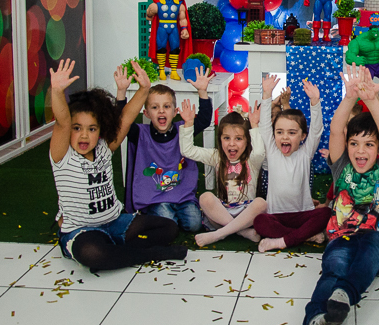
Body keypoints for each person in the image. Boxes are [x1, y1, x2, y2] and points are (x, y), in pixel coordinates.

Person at [49, 59, 186, 271]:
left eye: (92, 129)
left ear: (101, 130)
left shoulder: (105, 147)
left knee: (169, 227)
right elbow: (62, 122)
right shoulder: (62, 156)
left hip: (115, 223)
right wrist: (57, 92)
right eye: (77, 128)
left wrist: (144, 89)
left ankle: (116, 250)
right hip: (82, 230)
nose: (84, 135)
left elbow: (127, 117)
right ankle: (152, 254)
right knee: (92, 254)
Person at [305, 65, 379, 325]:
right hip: (341, 237)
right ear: (347, 147)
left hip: (377, 239)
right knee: (333, 268)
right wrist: (349, 98)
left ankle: (345, 295)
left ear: (378, 150)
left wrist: (372, 100)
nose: (360, 150)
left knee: (369, 251)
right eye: (355, 143)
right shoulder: (341, 167)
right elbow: (336, 131)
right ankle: (316, 319)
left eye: (369, 144)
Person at [117, 65, 213, 233]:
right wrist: (121, 92)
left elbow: (204, 120)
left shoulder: (183, 130)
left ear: (175, 111)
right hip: (156, 198)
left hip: (183, 196)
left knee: (194, 224)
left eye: (166, 107)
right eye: (155, 107)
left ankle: (171, 215)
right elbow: (122, 122)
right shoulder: (140, 133)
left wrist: (202, 92)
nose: (161, 110)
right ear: (146, 113)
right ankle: (155, 214)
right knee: (168, 223)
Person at [252, 75, 331, 252]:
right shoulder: (272, 152)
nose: (285, 137)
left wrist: (315, 102)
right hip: (276, 215)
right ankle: (304, 236)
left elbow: (317, 131)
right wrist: (266, 95)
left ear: (303, 136)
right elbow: (264, 128)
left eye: (292, 133)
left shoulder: (305, 153)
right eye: (279, 132)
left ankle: (282, 241)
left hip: (302, 214)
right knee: (259, 221)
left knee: (326, 213)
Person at [178, 102, 267, 246]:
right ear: (220, 139)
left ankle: (219, 234)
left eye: (238, 138)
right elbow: (188, 151)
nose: (232, 144)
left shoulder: (252, 160)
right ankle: (242, 232)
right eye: (226, 138)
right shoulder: (217, 157)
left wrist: (254, 125)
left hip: (246, 214)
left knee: (261, 203)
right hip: (221, 214)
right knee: (205, 197)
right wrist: (188, 124)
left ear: (247, 140)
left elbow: (259, 152)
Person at [146, 0, 192, 81]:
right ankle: (161, 70)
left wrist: (184, 29)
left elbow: (182, 18)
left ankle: (173, 71)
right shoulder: (158, 4)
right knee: (161, 48)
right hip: (162, 28)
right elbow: (148, 16)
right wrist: (150, 11)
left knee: (175, 48)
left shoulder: (179, 5)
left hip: (173, 28)